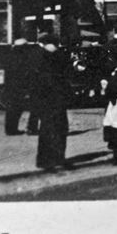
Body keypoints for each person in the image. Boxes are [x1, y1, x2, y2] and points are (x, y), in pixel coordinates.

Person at [30, 34, 73, 170]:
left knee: (54, 129)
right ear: (50, 45)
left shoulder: (46, 56)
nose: (58, 47)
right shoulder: (46, 58)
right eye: (56, 45)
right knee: (52, 130)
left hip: (51, 100)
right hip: (51, 100)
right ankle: (49, 159)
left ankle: (53, 158)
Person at [3, 37, 41, 136]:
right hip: (23, 87)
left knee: (13, 109)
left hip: (12, 87)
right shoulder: (24, 58)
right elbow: (28, 73)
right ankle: (31, 128)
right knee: (34, 107)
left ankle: (10, 129)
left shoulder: (10, 57)